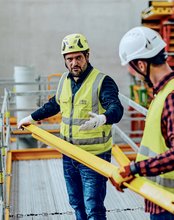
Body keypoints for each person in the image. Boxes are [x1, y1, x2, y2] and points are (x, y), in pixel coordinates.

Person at [18, 33, 124, 220]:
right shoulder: (64, 80)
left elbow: (116, 108)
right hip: (69, 154)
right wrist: (31, 117)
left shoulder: (102, 81)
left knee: (93, 206)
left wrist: (103, 118)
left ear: (87, 56)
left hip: (94, 156)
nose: (74, 62)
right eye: (70, 59)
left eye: (78, 57)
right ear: (65, 61)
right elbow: (55, 104)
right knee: (76, 203)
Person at [110, 26, 174, 220]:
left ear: (141, 65)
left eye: (132, 69)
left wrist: (135, 169)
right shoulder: (165, 93)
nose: (135, 76)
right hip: (164, 198)